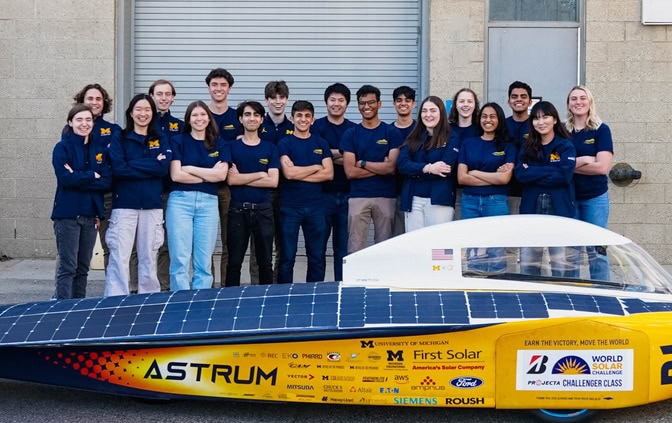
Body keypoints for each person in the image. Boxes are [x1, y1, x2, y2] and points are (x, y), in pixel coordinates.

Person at [105, 94, 170, 296]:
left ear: (153, 113)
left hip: (152, 205)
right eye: (139, 109)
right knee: (120, 256)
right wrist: (150, 164)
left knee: (149, 255)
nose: (143, 114)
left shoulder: (160, 138)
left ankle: (148, 297)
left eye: (147, 110)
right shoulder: (120, 138)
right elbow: (118, 169)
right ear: (131, 113)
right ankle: (116, 298)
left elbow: (163, 168)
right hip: (124, 205)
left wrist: (132, 164)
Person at [51, 104, 112, 300]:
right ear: (70, 122)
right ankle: (62, 309)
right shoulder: (62, 148)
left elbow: (106, 181)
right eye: (79, 119)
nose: (84, 124)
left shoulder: (99, 150)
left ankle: (78, 308)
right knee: (67, 267)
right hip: (67, 216)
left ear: (93, 122)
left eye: (88, 119)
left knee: (83, 269)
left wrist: (79, 176)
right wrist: (92, 175)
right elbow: (65, 179)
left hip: (90, 215)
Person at [167, 101, 229, 290]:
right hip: (180, 202)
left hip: (208, 203)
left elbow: (221, 175)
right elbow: (176, 175)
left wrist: (191, 169)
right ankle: (180, 302)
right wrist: (208, 175)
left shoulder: (220, 143)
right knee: (180, 258)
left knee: (203, 260)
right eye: (194, 115)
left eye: (203, 115)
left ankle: (200, 305)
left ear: (209, 118)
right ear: (188, 119)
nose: (199, 119)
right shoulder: (178, 140)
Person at [515, 101, 576, 277]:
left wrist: (533, 171)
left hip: (559, 208)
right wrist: (551, 169)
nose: (540, 122)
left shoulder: (565, 146)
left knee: (560, 265)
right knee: (528, 264)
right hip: (530, 207)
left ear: (555, 120)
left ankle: (561, 299)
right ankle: (530, 300)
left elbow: (564, 176)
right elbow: (520, 175)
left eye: (545, 117)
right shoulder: (527, 146)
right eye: (536, 118)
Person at [342, 85, 403, 253]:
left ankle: (382, 279)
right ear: (358, 105)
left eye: (371, 102)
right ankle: (355, 279)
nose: (366, 107)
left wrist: (362, 163)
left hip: (386, 196)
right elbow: (350, 172)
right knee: (355, 246)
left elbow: (391, 168)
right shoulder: (351, 134)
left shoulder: (392, 133)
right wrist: (380, 167)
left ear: (379, 104)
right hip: (358, 196)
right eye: (362, 103)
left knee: (384, 247)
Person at [277, 100, 333, 283]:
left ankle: (314, 293)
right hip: (290, 208)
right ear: (292, 118)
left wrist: (298, 172)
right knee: (287, 258)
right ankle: (284, 295)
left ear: (313, 119)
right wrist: (316, 166)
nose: (303, 119)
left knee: (317, 257)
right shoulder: (284, 143)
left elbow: (329, 174)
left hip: (316, 208)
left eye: (307, 116)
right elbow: (288, 173)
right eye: (299, 116)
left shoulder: (321, 143)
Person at [225, 101, 279, 286]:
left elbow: (273, 181)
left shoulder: (270, 148)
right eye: (247, 114)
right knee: (234, 262)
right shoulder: (231, 147)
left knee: (265, 262)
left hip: (263, 210)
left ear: (262, 119)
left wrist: (242, 177)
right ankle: (230, 301)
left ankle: (266, 299)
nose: (252, 118)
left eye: (256, 115)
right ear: (240, 119)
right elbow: (231, 180)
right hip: (238, 210)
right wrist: (259, 174)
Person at [458, 102, 516, 272]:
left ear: (499, 119)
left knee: (496, 249)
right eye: (484, 116)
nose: (488, 120)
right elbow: (462, 177)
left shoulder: (507, 145)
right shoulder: (469, 143)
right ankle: (474, 286)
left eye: (492, 116)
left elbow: (505, 178)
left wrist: (475, 172)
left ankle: (496, 290)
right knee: (473, 249)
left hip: (496, 202)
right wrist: (493, 177)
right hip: (470, 201)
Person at [566, 85, 614, 281]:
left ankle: (603, 291)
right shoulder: (562, 131)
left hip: (595, 198)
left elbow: (603, 167)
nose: (578, 102)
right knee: (570, 252)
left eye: (582, 98)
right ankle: (571, 292)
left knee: (597, 249)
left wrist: (570, 165)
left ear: (590, 102)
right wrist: (587, 159)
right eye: (573, 99)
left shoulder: (601, 130)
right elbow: (556, 165)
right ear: (568, 104)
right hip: (569, 198)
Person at [72, 84, 121, 272]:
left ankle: (112, 291)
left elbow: (112, 164)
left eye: (98, 99)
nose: (94, 102)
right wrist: (92, 173)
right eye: (90, 98)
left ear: (104, 102)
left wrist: (88, 172)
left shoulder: (114, 130)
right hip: (81, 196)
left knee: (111, 244)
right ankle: (66, 295)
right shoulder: (71, 129)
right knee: (73, 247)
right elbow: (72, 167)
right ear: (82, 101)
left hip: (106, 195)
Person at [312, 83, 356, 281]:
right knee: (317, 249)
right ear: (326, 102)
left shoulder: (354, 129)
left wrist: (328, 154)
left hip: (348, 196)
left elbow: (354, 160)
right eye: (332, 100)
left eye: (341, 100)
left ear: (347, 104)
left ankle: (342, 287)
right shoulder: (316, 127)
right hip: (321, 197)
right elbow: (312, 156)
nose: (336, 104)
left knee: (343, 250)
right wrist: (345, 154)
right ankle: (315, 291)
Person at [397, 96, 459, 232]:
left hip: (439, 201)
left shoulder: (451, 137)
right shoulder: (413, 137)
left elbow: (445, 168)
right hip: (413, 201)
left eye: (433, 110)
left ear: (441, 113)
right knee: (414, 245)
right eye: (424, 111)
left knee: (439, 247)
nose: (428, 115)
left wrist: (415, 170)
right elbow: (402, 164)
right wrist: (428, 168)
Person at [205, 68, 241, 287]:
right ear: (208, 87)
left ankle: (227, 286)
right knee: (205, 240)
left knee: (230, 240)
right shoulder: (200, 114)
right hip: (205, 186)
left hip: (229, 187)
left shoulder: (237, 116)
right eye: (214, 85)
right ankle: (206, 284)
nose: (219, 89)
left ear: (229, 88)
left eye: (223, 85)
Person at [149, 79, 184, 292]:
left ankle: (165, 285)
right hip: (149, 191)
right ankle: (142, 286)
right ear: (151, 96)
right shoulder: (143, 124)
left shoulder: (179, 126)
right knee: (148, 242)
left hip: (174, 192)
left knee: (169, 243)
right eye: (159, 94)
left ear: (172, 98)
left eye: (167, 94)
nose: (163, 98)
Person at [391, 86, 417, 237]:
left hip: (416, 192)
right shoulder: (386, 131)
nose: (403, 103)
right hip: (393, 192)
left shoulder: (421, 130)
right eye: (399, 100)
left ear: (413, 104)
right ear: (394, 104)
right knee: (395, 237)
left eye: (408, 100)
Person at [505, 81, 533, 212]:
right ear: (509, 101)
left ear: (530, 101)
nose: (519, 99)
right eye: (514, 96)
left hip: (530, 189)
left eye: (523, 96)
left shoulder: (537, 126)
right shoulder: (501, 126)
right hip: (504, 191)